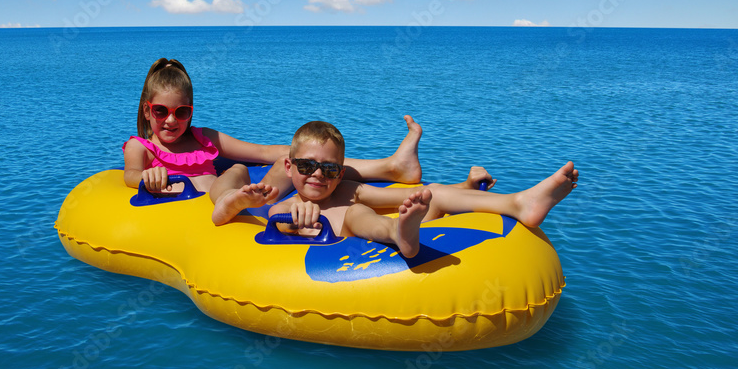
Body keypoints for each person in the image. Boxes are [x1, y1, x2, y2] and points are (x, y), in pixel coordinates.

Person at [210, 121, 578, 259]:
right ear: (290, 168)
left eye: (329, 169)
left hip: (370, 210)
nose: (317, 177)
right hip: (357, 230)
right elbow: (223, 216)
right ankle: (399, 234)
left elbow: (411, 196)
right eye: (306, 168)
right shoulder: (283, 204)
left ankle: (520, 203)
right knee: (356, 216)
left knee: (430, 193)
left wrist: (459, 189)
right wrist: (245, 201)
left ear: (341, 172)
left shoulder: (350, 189)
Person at [123, 58, 424, 195]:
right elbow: (131, 174)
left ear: (191, 111)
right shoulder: (142, 147)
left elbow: (262, 151)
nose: (171, 120)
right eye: (161, 111)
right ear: (147, 111)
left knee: (303, 163)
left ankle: (390, 168)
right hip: (212, 207)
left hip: (239, 196)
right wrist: (149, 175)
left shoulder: (205, 138)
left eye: (182, 111)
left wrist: (296, 158)